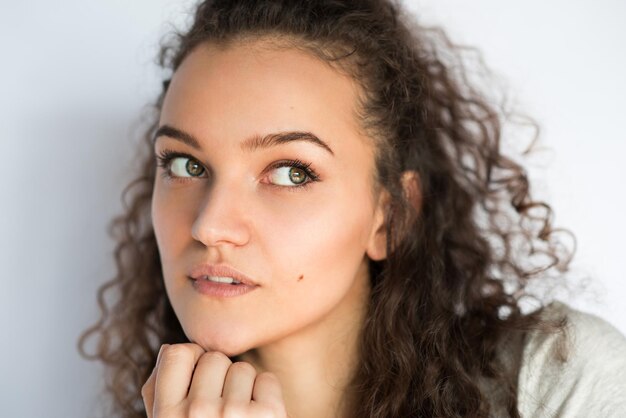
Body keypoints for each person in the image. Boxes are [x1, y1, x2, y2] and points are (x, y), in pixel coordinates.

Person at [78, 1, 626, 417]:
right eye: (184, 165)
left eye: (292, 172)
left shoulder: (554, 381)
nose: (209, 225)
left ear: (391, 215)